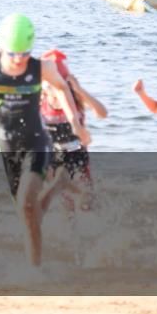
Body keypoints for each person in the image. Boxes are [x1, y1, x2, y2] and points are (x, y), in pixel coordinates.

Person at [0, 13, 89, 267]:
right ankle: (58, 186)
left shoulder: (41, 67)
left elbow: (61, 87)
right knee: (28, 211)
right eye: (12, 54)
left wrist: (76, 123)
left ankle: (34, 270)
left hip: (36, 142)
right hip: (5, 146)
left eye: (24, 54)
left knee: (26, 206)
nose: (18, 60)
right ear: (1, 47)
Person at [40, 50, 108, 207]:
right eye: (52, 86)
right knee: (65, 205)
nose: (57, 92)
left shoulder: (75, 99)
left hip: (78, 157)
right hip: (52, 158)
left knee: (88, 203)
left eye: (62, 85)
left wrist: (80, 90)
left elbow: (102, 113)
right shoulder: (41, 101)